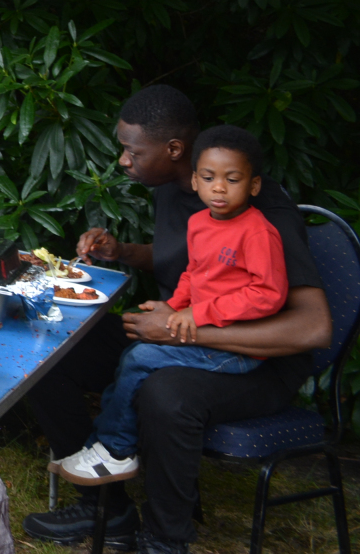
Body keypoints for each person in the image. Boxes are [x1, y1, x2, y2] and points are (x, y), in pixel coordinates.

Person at [21, 86, 333, 554]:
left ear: (173, 150)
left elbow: (312, 327)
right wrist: (122, 252)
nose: (124, 160)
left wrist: (183, 331)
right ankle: (105, 507)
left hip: (257, 362)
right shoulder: (175, 190)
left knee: (165, 392)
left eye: (133, 151)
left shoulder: (265, 217)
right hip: (179, 335)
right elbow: (189, 263)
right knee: (51, 344)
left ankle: (166, 540)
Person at [51, 125, 285, 485]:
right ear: (194, 180)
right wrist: (172, 308)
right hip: (199, 328)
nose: (219, 188)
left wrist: (196, 314)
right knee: (134, 352)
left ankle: (115, 450)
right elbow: (193, 272)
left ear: (253, 186)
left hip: (235, 347)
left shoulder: (257, 232)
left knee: (141, 358)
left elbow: (267, 294)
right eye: (209, 177)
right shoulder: (199, 223)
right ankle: (102, 444)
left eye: (232, 179)